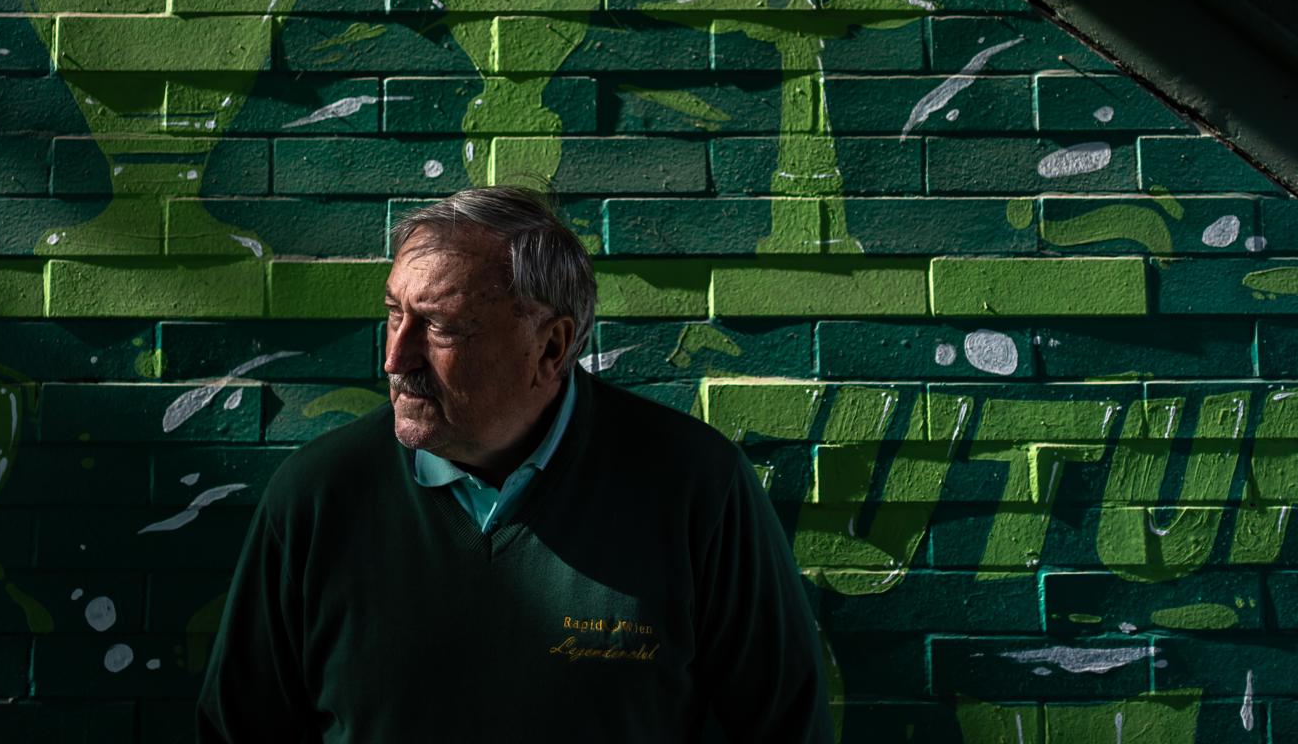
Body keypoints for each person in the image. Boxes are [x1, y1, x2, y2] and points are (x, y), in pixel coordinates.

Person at [195, 185, 835, 742]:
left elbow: (787, 725)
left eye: (440, 328)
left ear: (551, 347)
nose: (395, 359)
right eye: (394, 316)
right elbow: (240, 729)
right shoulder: (317, 496)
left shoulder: (696, 486)